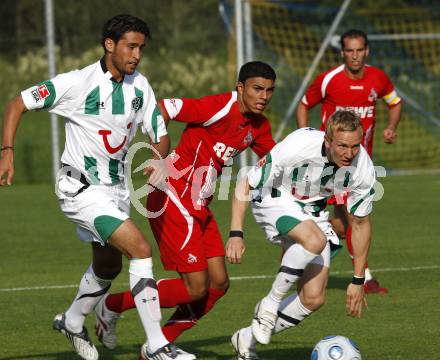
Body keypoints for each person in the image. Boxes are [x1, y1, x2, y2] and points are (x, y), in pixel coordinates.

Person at [0, 14, 195, 360]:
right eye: (130, 46)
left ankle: (72, 321)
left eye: (141, 48)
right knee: (140, 250)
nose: (136, 54)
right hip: (80, 189)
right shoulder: (78, 83)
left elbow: (160, 134)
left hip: (117, 191)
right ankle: (156, 345)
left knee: (108, 267)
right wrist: (7, 152)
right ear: (110, 45)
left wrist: (160, 159)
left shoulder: (141, 86)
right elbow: (17, 103)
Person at [93, 61, 277, 357]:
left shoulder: (259, 125)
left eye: (269, 90)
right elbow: (163, 109)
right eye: (257, 89)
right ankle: (112, 305)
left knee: (218, 284)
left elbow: (278, 160)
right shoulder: (218, 106)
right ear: (241, 88)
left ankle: (157, 343)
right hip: (172, 195)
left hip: (199, 204)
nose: (264, 96)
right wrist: (158, 155)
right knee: (195, 287)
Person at [226, 110, 376, 359]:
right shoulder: (299, 144)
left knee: (313, 298)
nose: (349, 154)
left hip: (313, 214)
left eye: (355, 146)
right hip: (273, 197)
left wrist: (358, 279)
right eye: (341, 146)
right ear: (327, 141)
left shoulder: (363, 168)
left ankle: (246, 338)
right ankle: (270, 304)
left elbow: (360, 224)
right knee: (315, 240)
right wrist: (235, 233)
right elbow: (246, 183)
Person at [296, 29, 402, 294]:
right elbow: (304, 105)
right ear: (342, 52)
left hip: (360, 165)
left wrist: (392, 127)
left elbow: (395, 102)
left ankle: (302, 240)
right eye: (349, 51)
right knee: (356, 218)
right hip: (330, 165)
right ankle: (364, 277)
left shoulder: (378, 78)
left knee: (344, 225)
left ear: (366, 51)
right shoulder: (329, 80)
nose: (354, 56)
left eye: (359, 50)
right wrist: (305, 135)